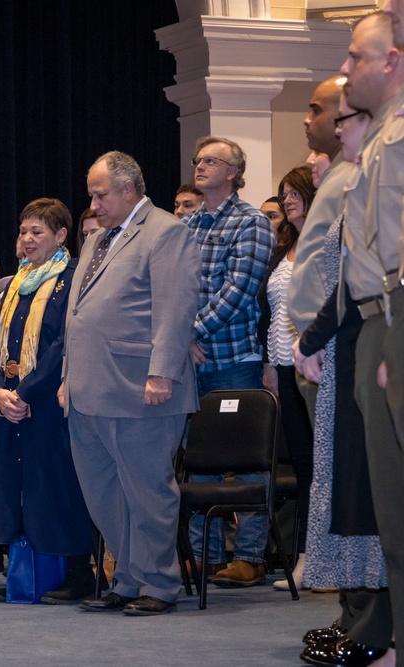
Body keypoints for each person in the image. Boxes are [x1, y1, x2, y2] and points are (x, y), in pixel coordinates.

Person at [63, 151, 200, 616]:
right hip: (88, 389)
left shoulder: (167, 232)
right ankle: (127, 577)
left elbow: (175, 308)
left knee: (147, 491)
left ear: (128, 189)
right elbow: (78, 313)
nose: (94, 204)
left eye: (100, 194)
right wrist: (67, 376)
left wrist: (162, 372)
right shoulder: (100, 237)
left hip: (140, 388)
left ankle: (159, 585)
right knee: (104, 493)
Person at [295, 93, 391, 667]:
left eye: (340, 116)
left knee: (364, 490)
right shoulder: (350, 178)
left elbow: (358, 279)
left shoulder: (372, 179)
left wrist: (312, 340)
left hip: (355, 345)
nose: (329, 124)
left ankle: (375, 626)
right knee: (346, 487)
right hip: (339, 348)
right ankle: (358, 618)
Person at [0, 198, 95, 604]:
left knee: (58, 485)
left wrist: (24, 391)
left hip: (49, 400)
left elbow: (62, 346)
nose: (27, 239)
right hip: (10, 402)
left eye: (37, 232)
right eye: (23, 231)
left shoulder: (72, 279)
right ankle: (25, 573)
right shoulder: (16, 281)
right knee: (17, 486)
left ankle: (78, 574)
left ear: (62, 236)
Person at [337, 10, 404, 665]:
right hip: (379, 316)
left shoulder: (398, 136)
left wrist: (394, 342)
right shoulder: (381, 137)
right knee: (392, 506)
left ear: (393, 61)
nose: (345, 69)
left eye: (357, 56)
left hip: (394, 314)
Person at [183, 135, 276, 587]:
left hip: (234, 359)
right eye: (198, 160)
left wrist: (191, 332)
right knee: (199, 462)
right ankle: (206, 555)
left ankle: (252, 557)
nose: (200, 166)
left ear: (234, 172)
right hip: (191, 363)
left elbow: (238, 292)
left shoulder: (252, 222)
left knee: (245, 463)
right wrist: (181, 340)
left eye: (210, 161)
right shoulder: (189, 224)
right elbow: (173, 288)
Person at [257, 166, 316, 591]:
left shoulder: (327, 241)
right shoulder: (285, 250)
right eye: (284, 192)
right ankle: (306, 556)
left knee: (323, 465)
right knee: (302, 464)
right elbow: (271, 314)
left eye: (295, 192)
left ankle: (320, 559)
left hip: (318, 367)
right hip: (282, 366)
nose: (287, 198)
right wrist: (268, 365)